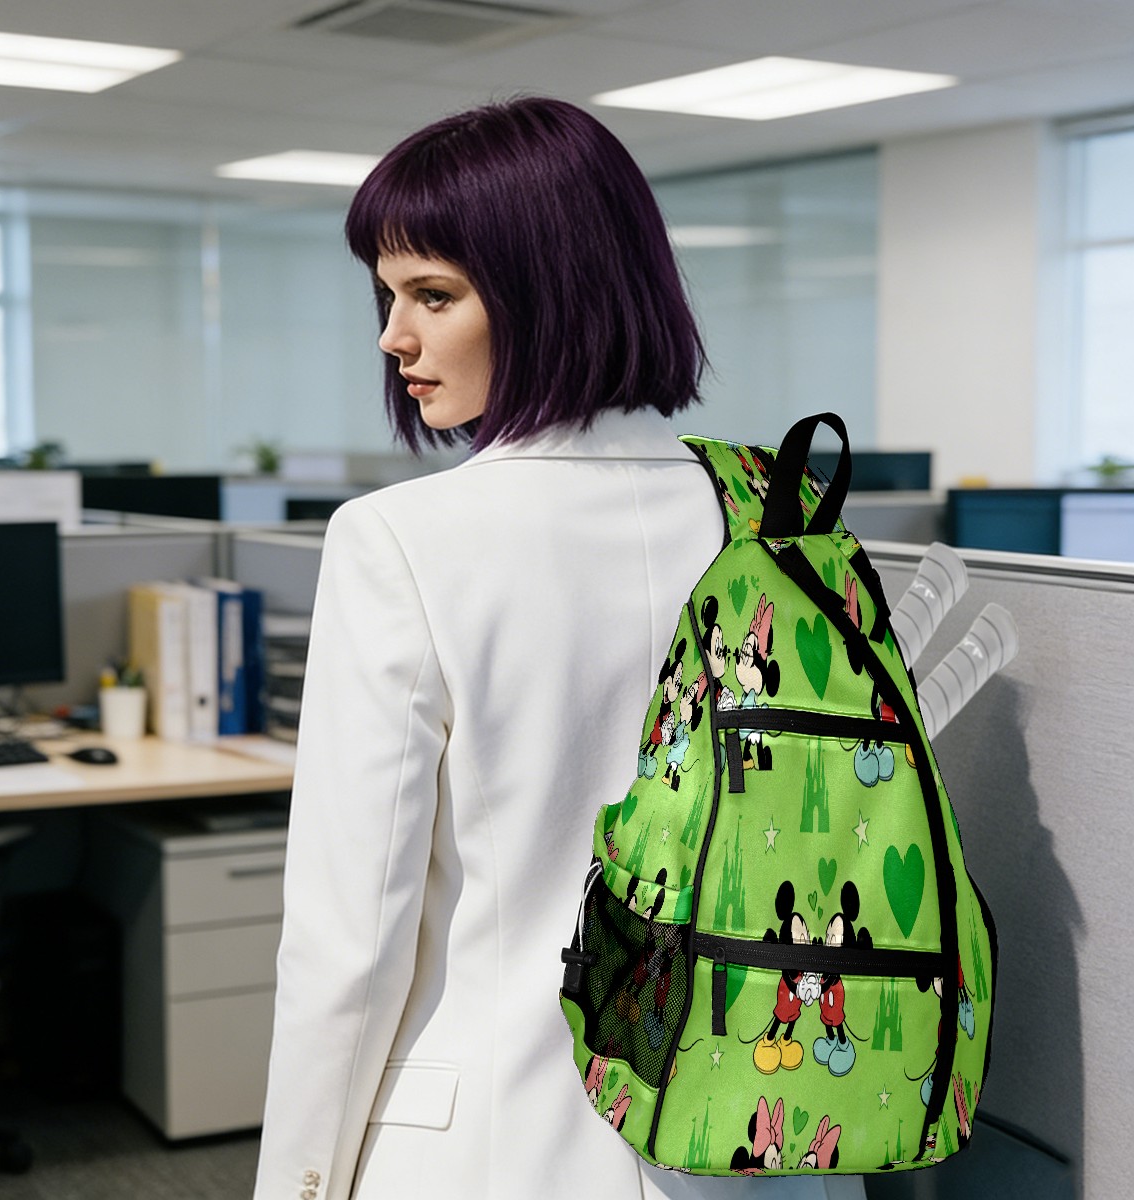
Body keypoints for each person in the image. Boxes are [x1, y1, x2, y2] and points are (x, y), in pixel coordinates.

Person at [253, 97, 866, 1200]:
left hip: (500, 1148)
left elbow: (349, 945)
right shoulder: (777, 521)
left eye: (434, 295)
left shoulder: (400, 541)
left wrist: (295, 1186)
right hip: (759, 1144)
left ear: (548, 290)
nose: (393, 337)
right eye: (387, 295)